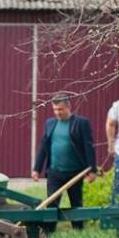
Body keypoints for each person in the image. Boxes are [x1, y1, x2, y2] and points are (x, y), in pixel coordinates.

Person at [30, 93, 97, 226]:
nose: (57, 113)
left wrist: (92, 170)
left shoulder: (81, 123)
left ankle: (78, 231)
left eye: (60, 109)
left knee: (76, 204)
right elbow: (43, 146)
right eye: (55, 109)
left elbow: (89, 147)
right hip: (55, 172)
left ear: (68, 107)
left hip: (75, 173)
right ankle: (49, 232)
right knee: (51, 204)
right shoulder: (50, 123)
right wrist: (37, 169)